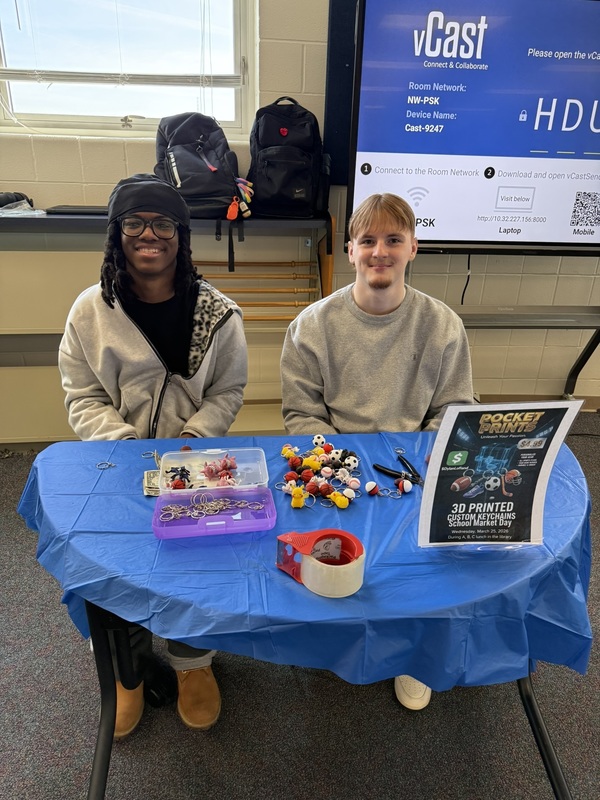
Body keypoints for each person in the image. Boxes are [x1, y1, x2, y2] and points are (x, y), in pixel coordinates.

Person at [59, 173, 248, 737]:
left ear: (181, 236)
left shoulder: (218, 312)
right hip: (114, 462)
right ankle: (128, 672)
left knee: (195, 562)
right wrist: (120, 444)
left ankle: (193, 663)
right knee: (112, 564)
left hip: (191, 463)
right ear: (115, 233)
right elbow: (83, 395)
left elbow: (228, 390)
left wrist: (197, 436)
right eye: (135, 223)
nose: (149, 234)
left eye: (163, 223)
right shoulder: (90, 311)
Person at [280, 192, 474, 710]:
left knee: (422, 568)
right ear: (350, 250)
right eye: (367, 240)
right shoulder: (311, 326)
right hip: (339, 470)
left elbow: (454, 408)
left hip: (414, 467)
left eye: (393, 239)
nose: (379, 252)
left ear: (413, 248)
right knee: (338, 561)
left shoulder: (443, 325)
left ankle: (415, 652)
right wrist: (340, 467)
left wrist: (429, 456)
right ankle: (336, 641)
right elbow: (302, 414)